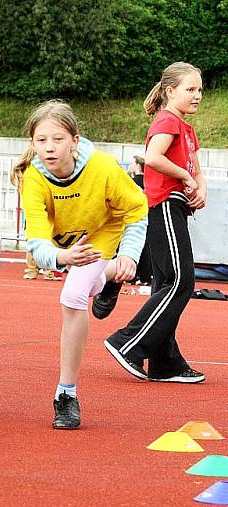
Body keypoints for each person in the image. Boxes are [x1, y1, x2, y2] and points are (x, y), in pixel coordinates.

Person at [10, 100, 147, 429]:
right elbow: (37, 240)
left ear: (74, 140)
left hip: (103, 231)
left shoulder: (102, 167)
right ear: (32, 144)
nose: (49, 148)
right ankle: (108, 278)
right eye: (41, 141)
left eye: (57, 139)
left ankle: (66, 395)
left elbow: (137, 209)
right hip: (68, 245)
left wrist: (128, 254)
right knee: (87, 277)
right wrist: (60, 258)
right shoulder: (34, 179)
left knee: (72, 297)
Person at [104, 62, 206, 384]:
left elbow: (197, 169)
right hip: (163, 204)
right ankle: (128, 343)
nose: (197, 95)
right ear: (170, 90)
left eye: (200, 90)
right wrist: (185, 176)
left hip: (176, 205)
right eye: (190, 89)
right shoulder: (167, 120)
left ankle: (165, 362)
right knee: (180, 280)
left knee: (166, 284)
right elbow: (153, 156)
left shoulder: (187, 129)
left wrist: (200, 188)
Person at [127, 154, 153, 285]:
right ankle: (145, 277)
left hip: (134, 216)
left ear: (137, 165)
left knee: (132, 244)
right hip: (148, 215)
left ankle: (132, 275)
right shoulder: (149, 182)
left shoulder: (130, 182)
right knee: (146, 246)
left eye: (132, 163)